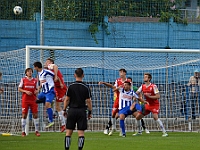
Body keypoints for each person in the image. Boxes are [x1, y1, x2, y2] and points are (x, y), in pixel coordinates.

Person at [63, 68, 92, 150]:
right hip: (82, 111)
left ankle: (67, 148)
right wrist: (90, 112)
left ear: (74, 75)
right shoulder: (86, 87)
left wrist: (64, 109)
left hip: (72, 110)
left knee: (68, 132)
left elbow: (67, 99)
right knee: (81, 133)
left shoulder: (70, 86)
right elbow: (88, 101)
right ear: (83, 75)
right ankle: (79, 149)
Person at [134, 73, 168, 137]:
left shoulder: (153, 86)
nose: (144, 78)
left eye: (146, 77)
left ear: (149, 78)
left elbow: (158, 96)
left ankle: (164, 132)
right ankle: (139, 131)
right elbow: (136, 93)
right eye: (144, 77)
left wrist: (149, 97)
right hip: (147, 104)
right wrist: (136, 97)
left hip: (154, 104)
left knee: (155, 117)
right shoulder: (142, 86)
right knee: (138, 117)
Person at [99, 68, 130, 135]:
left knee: (122, 115)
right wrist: (105, 83)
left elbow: (130, 91)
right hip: (118, 100)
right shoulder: (118, 81)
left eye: (122, 72)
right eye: (120, 73)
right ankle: (113, 128)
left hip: (125, 101)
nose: (120, 74)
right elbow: (113, 88)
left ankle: (122, 130)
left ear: (125, 73)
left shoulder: (128, 81)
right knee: (113, 114)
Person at [45, 58, 67, 132]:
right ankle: (54, 114)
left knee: (58, 107)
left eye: (47, 62)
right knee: (50, 101)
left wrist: (59, 81)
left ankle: (64, 124)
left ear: (51, 62)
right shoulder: (49, 70)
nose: (46, 63)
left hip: (60, 88)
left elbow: (55, 66)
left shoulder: (52, 66)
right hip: (56, 88)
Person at [18, 68, 40, 137]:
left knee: (35, 115)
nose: (30, 72)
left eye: (31, 71)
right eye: (28, 71)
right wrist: (26, 91)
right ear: (26, 73)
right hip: (25, 100)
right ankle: (23, 131)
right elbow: (19, 88)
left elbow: (37, 89)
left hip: (33, 100)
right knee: (24, 115)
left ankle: (36, 131)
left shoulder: (35, 80)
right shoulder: (23, 79)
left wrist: (37, 91)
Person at [33, 61, 55, 128]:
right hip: (43, 92)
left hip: (50, 91)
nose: (34, 69)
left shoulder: (46, 71)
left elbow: (55, 75)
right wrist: (38, 89)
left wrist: (57, 81)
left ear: (37, 67)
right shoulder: (39, 74)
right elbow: (42, 83)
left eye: (34, 67)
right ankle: (49, 102)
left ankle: (51, 121)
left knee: (47, 105)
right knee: (35, 100)